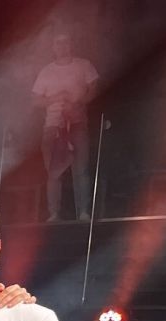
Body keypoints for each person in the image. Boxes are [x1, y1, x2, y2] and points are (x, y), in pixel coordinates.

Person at [33, 32, 98, 222]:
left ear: (71, 44)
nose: (62, 46)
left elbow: (94, 88)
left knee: (81, 169)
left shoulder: (83, 65)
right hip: (53, 126)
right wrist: (55, 98)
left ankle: (83, 212)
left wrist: (78, 102)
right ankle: (54, 213)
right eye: (58, 43)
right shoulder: (46, 71)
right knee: (54, 172)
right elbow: (35, 100)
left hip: (77, 123)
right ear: (53, 47)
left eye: (65, 42)